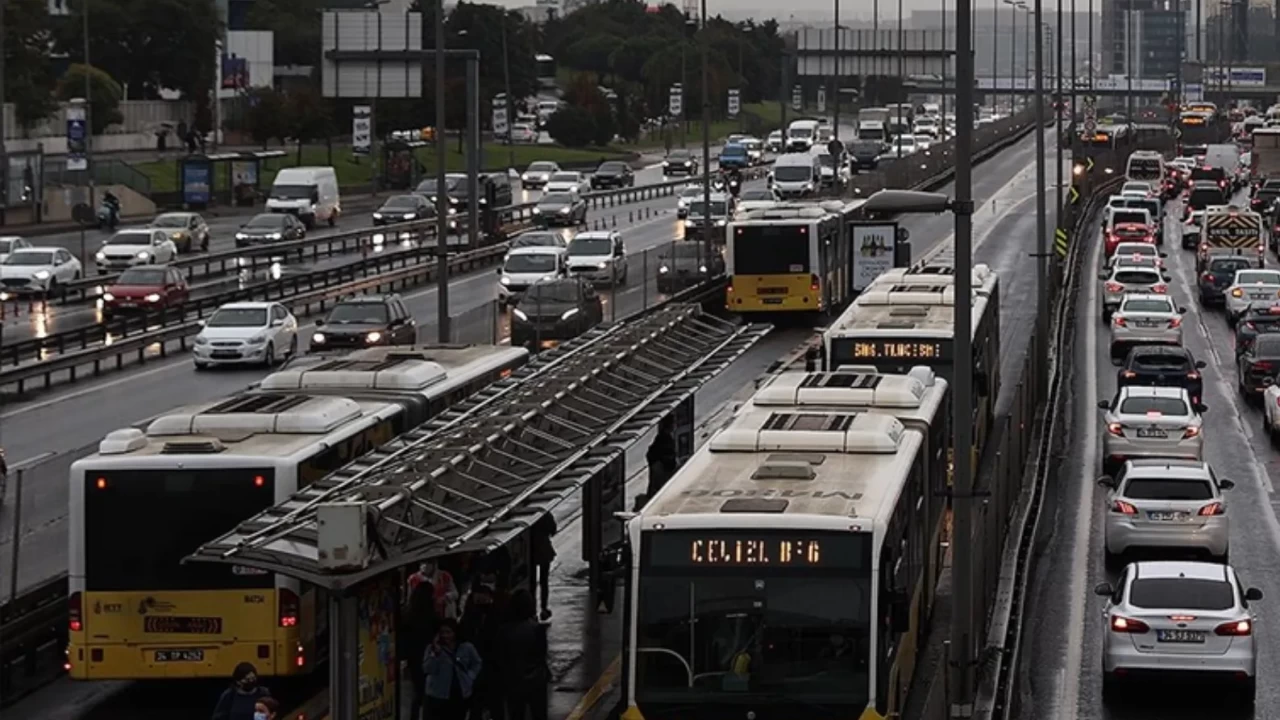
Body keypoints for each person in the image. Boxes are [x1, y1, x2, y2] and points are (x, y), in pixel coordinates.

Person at [462, 569, 509, 720]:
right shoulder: (494, 616)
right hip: (487, 668)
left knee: (480, 706)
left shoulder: (472, 617)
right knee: (490, 705)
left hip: (483, 668)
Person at [500, 590, 549, 720]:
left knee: (516, 714)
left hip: (514, 680)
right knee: (539, 714)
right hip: (536, 679)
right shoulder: (537, 628)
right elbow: (542, 653)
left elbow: (501, 656)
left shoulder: (504, 630)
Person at [423, 618, 483, 720]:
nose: (445, 636)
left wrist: (470, 676)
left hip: (459, 692)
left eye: (448, 632)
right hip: (437, 693)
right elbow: (427, 669)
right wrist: (436, 653)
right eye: (442, 632)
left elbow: (477, 662)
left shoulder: (466, 647)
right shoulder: (432, 648)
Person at [402, 580, 438, 720]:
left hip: (414, 657)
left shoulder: (408, 614)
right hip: (428, 655)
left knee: (417, 691)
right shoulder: (431, 616)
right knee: (427, 691)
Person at [645, 418, 678, 499]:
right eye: (673, 424)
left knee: (656, 484)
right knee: (658, 485)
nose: (675, 426)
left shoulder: (664, 437)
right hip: (661, 465)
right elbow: (665, 453)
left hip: (660, 465)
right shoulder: (664, 438)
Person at [532, 514, 557, 621]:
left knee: (531, 582)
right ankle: (544, 607)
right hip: (544, 550)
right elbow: (553, 530)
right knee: (544, 581)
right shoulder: (546, 515)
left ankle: (532, 609)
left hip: (531, 551)